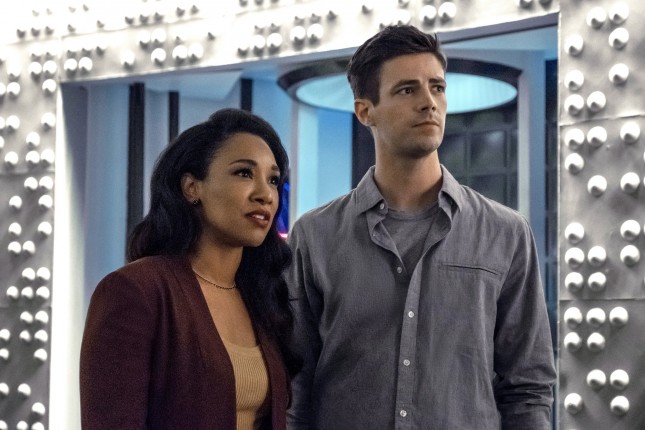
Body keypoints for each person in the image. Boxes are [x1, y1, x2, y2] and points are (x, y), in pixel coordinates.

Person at [286, 25, 556, 429]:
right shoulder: (314, 236)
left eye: (437, 87)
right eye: (407, 90)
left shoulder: (506, 233)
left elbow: (528, 390)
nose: (429, 102)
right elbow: (295, 389)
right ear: (365, 111)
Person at [80, 108, 299, 429]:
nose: (265, 194)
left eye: (273, 180)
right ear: (191, 187)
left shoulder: (261, 294)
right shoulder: (135, 291)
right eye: (244, 173)